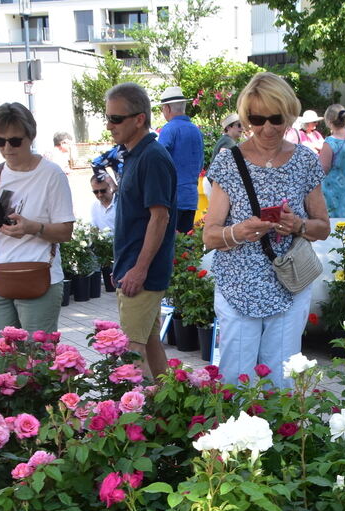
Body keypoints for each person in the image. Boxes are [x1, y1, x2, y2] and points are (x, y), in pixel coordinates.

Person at [202, 72, 331, 387]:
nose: (267, 128)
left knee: (282, 383)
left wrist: (298, 225)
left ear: (288, 114)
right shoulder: (229, 162)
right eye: (257, 119)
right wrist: (242, 231)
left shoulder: (304, 161)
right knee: (237, 379)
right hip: (238, 286)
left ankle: (281, 436)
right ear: (247, 118)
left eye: (276, 118)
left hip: (289, 283)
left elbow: (323, 228)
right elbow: (210, 235)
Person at [0, 103, 74, 334]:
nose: (7, 148)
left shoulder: (51, 174)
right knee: (5, 359)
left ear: (31, 137)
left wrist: (33, 228)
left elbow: (65, 232)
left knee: (38, 360)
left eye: (15, 141)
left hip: (40, 277)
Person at [109, 83, 176, 378]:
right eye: (108, 117)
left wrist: (138, 269)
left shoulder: (152, 157)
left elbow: (159, 218)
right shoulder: (135, 154)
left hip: (142, 274)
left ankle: (133, 418)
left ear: (139, 119)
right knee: (149, 345)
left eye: (116, 119)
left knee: (130, 353)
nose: (110, 125)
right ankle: (165, 410)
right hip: (134, 268)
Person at [157, 86, 204, 233]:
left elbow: (158, 161)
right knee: (185, 244)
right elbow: (200, 162)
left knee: (170, 245)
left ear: (167, 108)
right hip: (190, 196)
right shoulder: (195, 130)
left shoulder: (169, 129)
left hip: (173, 197)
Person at [319, 105, 345, 218]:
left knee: (336, 228)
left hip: (334, 192)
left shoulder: (329, 142)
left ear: (329, 121)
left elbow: (323, 169)